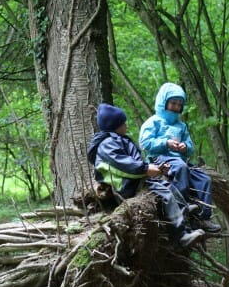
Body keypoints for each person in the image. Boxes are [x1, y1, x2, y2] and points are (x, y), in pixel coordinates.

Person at [87, 103, 204, 248]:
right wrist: (146, 169)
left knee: (167, 186)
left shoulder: (118, 139)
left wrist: (156, 169)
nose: (126, 125)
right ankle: (180, 235)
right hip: (126, 186)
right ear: (115, 126)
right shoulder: (107, 144)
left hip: (136, 179)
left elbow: (133, 162)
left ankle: (183, 209)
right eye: (123, 123)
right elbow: (123, 165)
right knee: (165, 194)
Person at [139, 82, 221, 233]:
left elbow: (190, 148)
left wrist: (185, 147)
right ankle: (182, 211)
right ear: (164, 102)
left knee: (204, 178)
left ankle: (204, 218)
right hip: (159, 159)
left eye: (179, 104)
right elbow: (145, 143)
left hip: (181, 160)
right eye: (173, 103)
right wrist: (165, 143)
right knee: (180, 167)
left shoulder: (181, 126)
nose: (176, 107)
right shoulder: (153, 122)